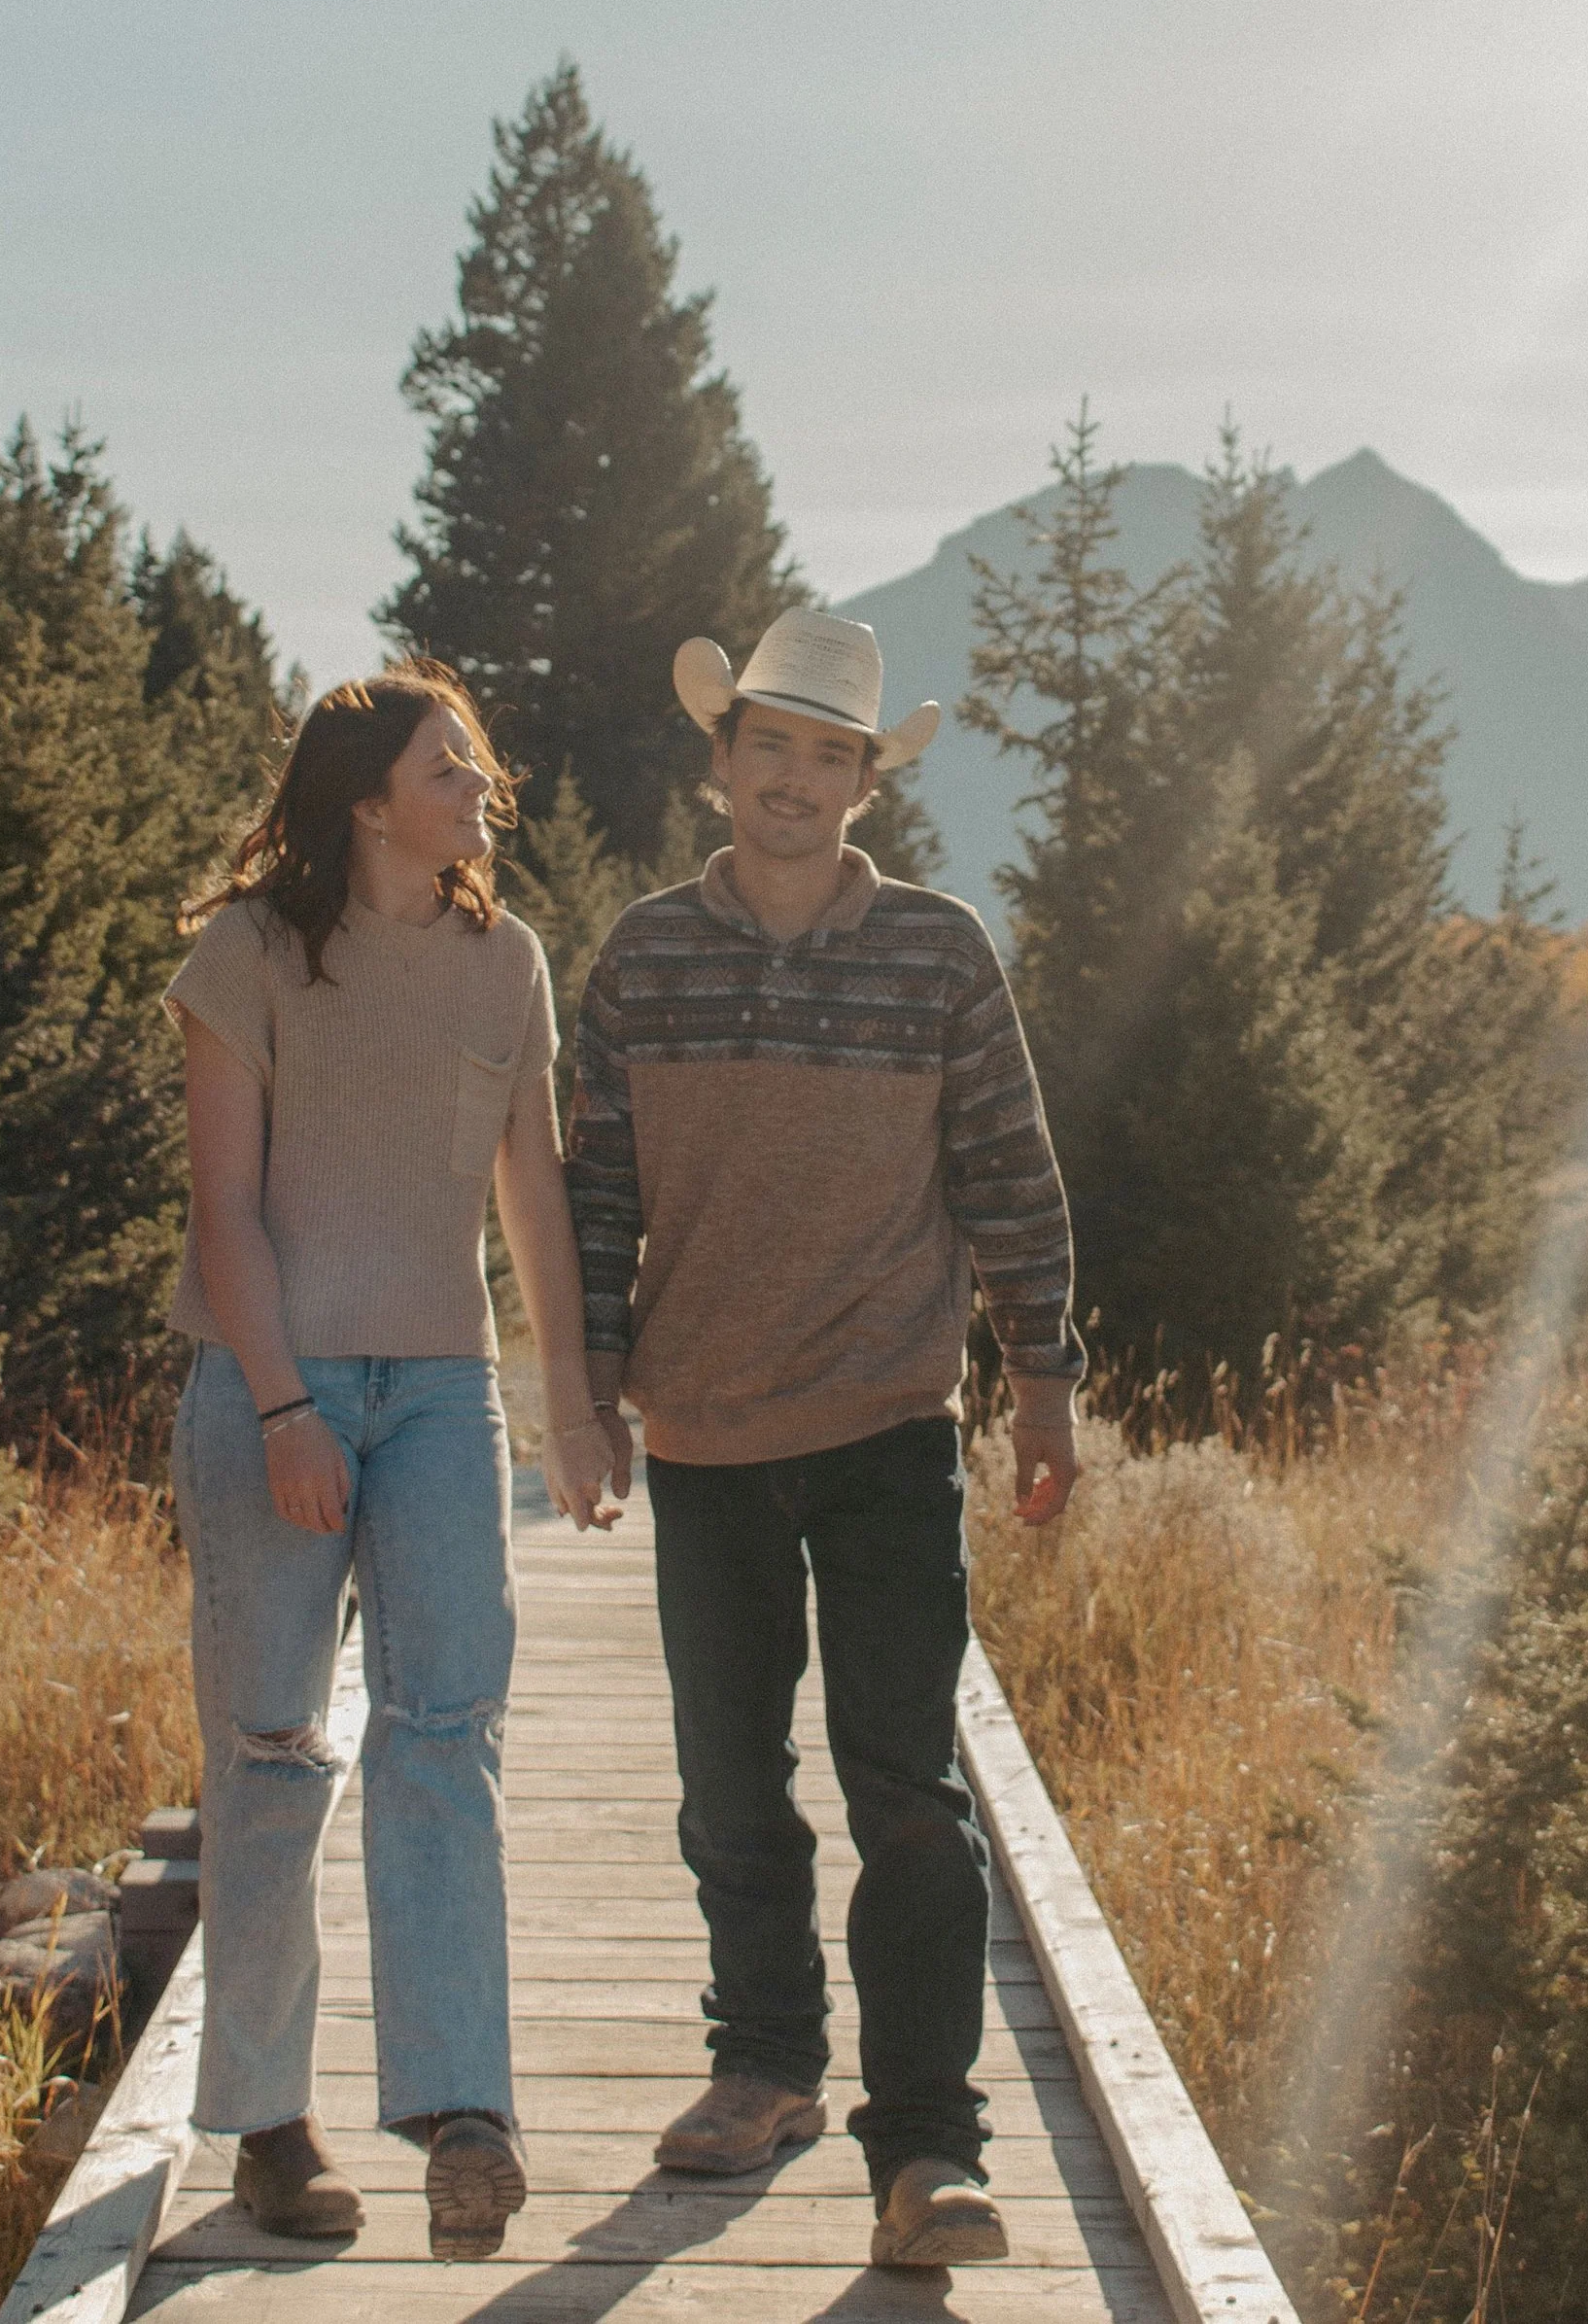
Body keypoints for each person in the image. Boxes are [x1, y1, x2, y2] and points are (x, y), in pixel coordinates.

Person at [565, 608, 1085, 2273]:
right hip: (704, 1425)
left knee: (910, 1787)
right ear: (721, 763)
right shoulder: (642, 957)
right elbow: (589, 1198)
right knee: (730, 1780)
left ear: (870, 783)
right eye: (767, 746)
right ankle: (767, 2063)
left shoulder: (940, 952)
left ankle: (927, 2147)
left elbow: (1008, 1173)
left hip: (883, 1424)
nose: (796, 779)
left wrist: (1042, 1382)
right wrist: (582, 1393)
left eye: (830, 756)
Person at [166, 662, 623, 2262]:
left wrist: (569, 1402)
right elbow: (226, 1211)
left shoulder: (508, 965)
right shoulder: (253, 954)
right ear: (369, 800)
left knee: (447, 1729)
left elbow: (533, 1200)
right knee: (275, 1749)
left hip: (438, 1393)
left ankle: (459, 2108)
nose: (480, 788)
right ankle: (270, 2129)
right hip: (266, 1382)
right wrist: (288, 1407)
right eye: (452, 768)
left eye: (476, 766)